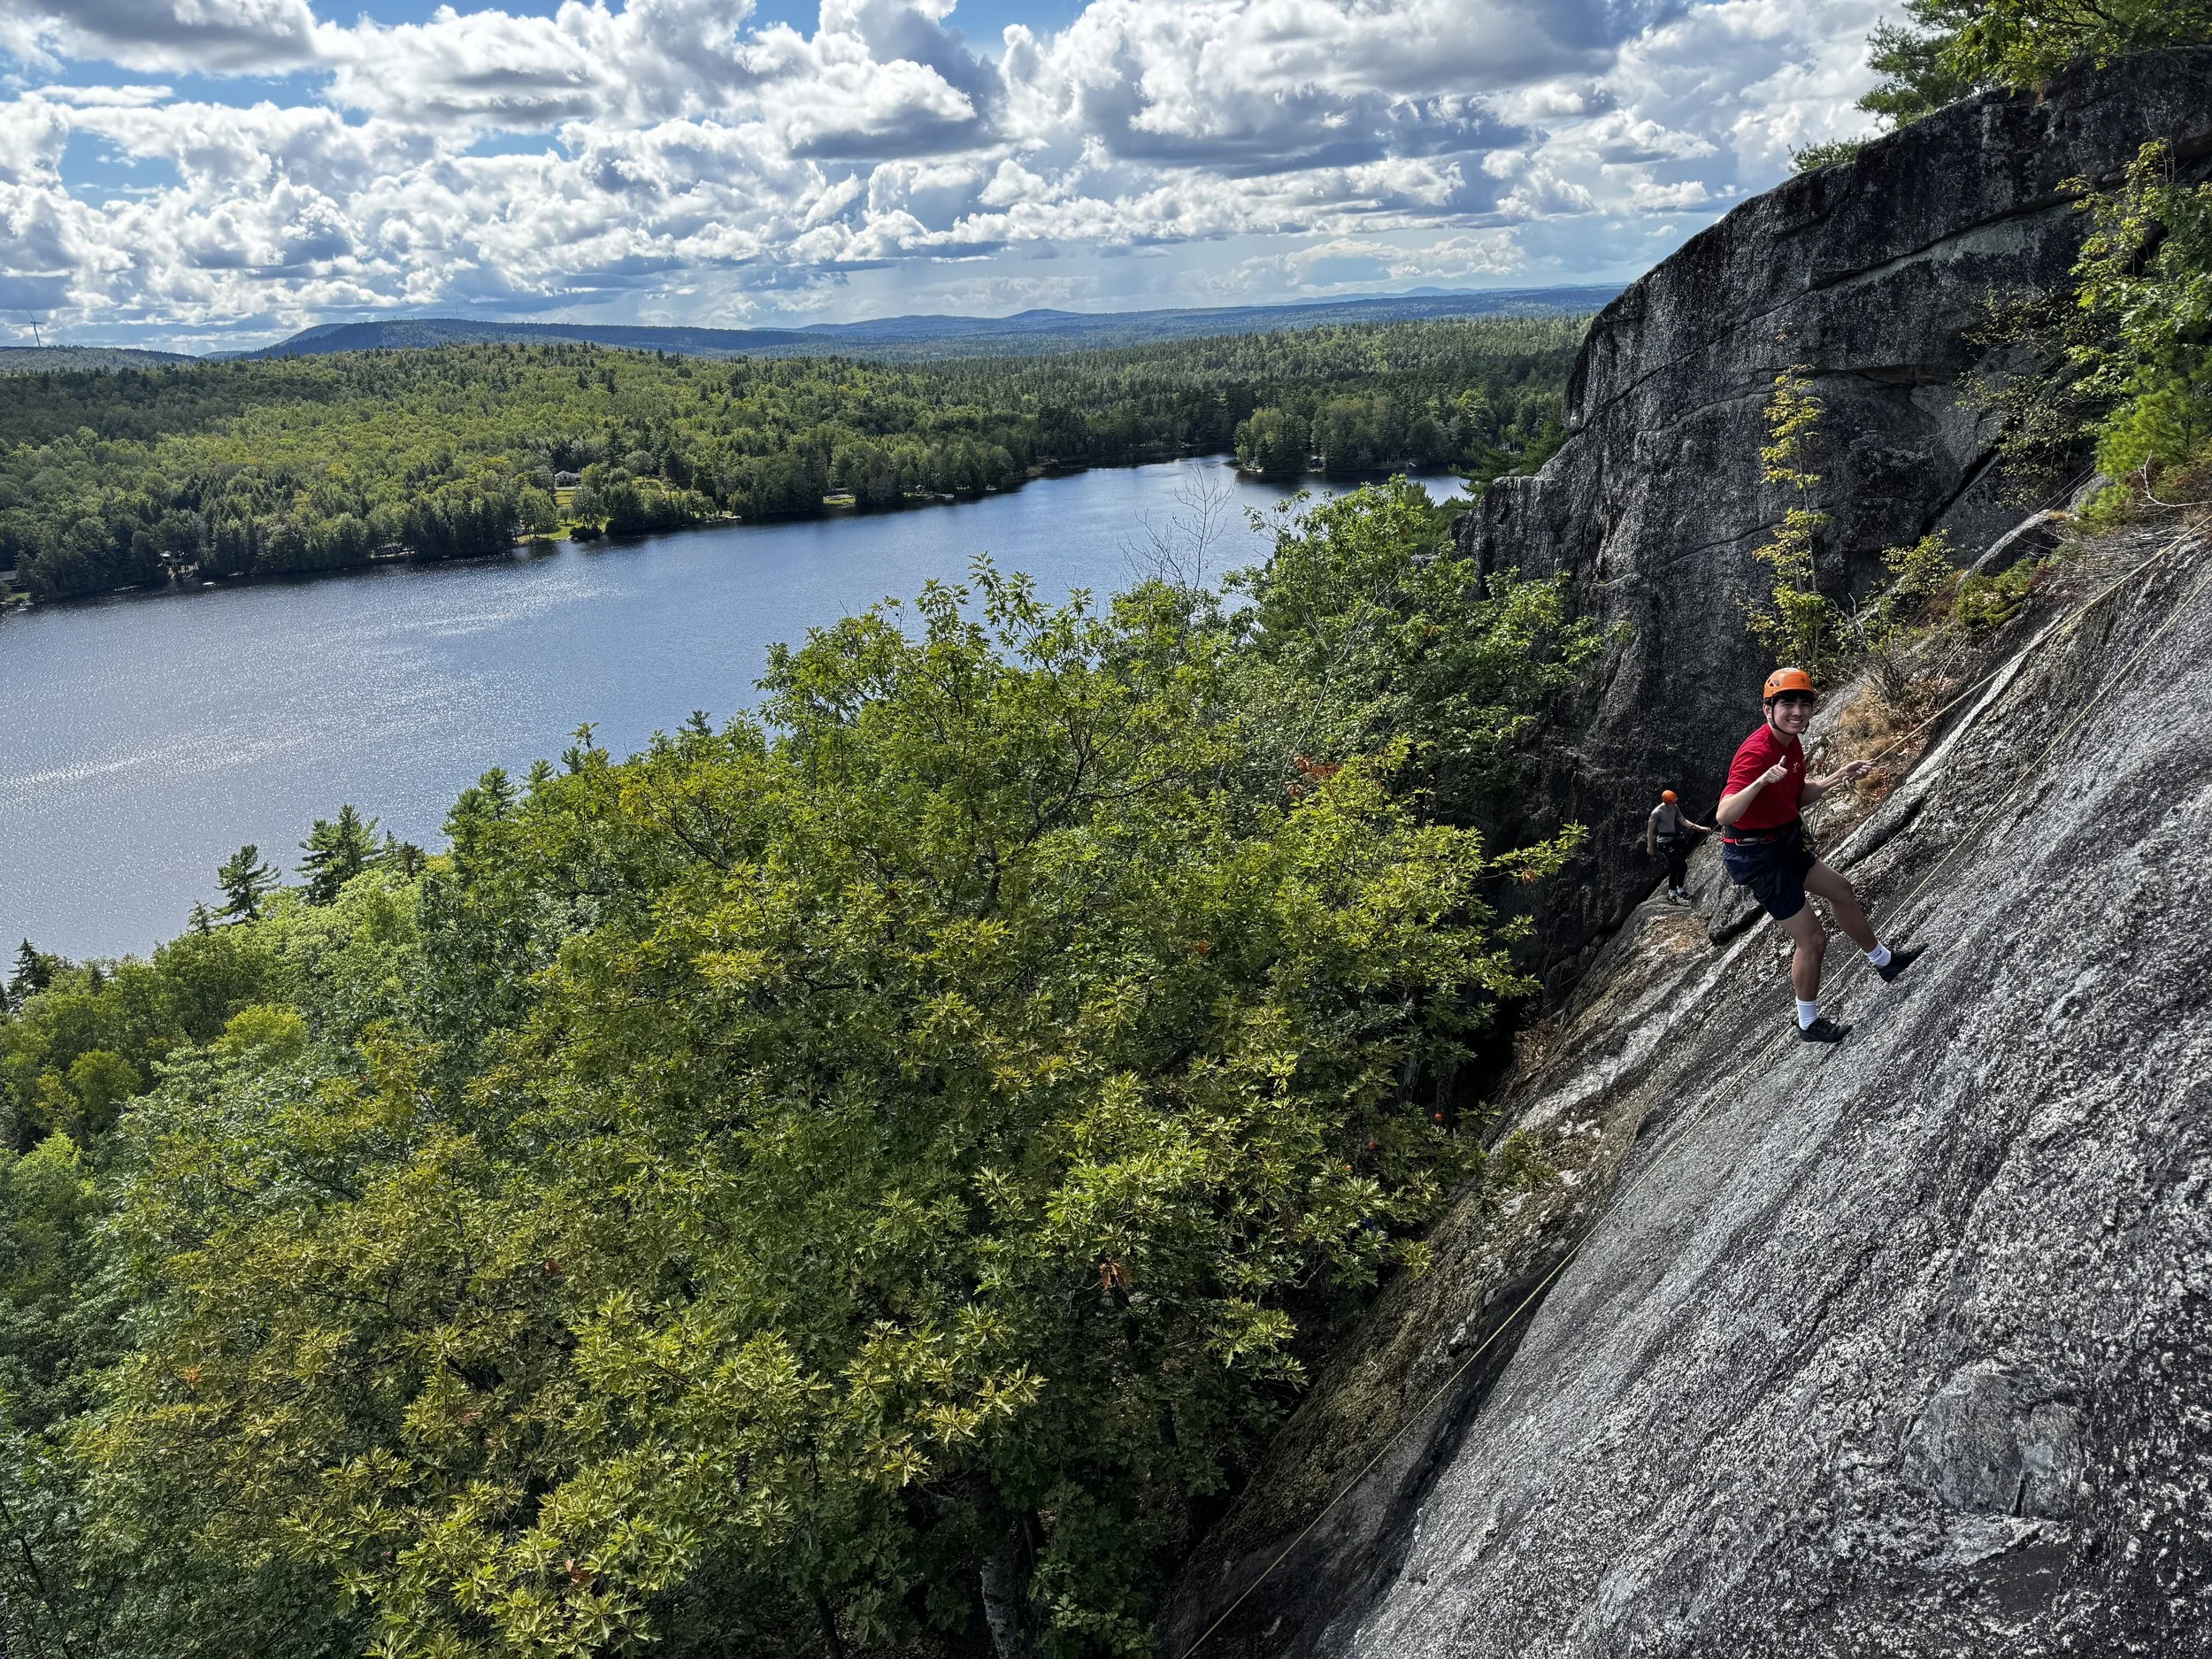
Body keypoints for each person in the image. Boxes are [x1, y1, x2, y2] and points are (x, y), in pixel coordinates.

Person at [1717, 667, 1922, 1043]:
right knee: (1812, 939)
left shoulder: (1791, 743)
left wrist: (1840, 775)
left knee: (1842, 891)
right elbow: (1725, 814)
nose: (1797, 712)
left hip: (1784, 841)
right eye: (1787, 704)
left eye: (1804, 704)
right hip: (1758, 856)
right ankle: (1807, 1023)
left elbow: (1798, 796)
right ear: (1768, 709)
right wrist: (1760, 780)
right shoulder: (1756, 752)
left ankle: (1885, 962)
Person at [1646, 788, 1712, 904]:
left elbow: (1684, 821)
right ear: (1667, 802)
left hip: (1673, 841)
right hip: (1664, 843)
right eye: (1673, 801)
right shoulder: (1657, 812)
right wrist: (1650, 847)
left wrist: (1699, 828)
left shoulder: (1674, 807)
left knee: (1674, 867)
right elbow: (1650, 830)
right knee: (1682, 866)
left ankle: (1672, 894)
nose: (1675, 802)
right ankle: (1680, 891)